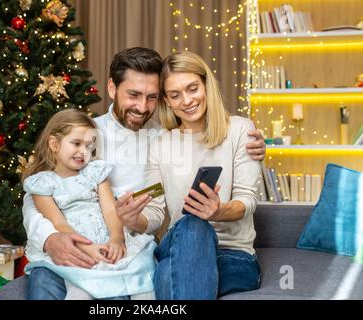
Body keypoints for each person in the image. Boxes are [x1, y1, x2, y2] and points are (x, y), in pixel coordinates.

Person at [22, 47, 266, 299]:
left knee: (190, 232)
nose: (142, 106)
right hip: (92, 240)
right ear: (112, 89)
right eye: (133, 95)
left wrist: (129, 224)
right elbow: (39, 190)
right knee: (44, 280)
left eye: (151, 97)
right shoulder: (85, 135)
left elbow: (157, 210)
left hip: (148, 248)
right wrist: (50, 238)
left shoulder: (160, 137)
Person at [141, 51, 262, 300]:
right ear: (167, 100)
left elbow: (247, 200)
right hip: (178, 245)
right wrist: (132, 218)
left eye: (192, 88)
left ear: (207, 84)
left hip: (233, 255)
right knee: (193, 225)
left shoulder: (241, 130)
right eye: (175, 95)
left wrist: (218, 212)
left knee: (165, 276)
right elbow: (154, 210)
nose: (186, 100)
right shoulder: (160, 145)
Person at [22, 109, 156, 300]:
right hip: (75, 245)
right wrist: (85, 248)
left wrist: (117, 238)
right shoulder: (42, 184)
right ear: (54, 143)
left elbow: (110, 210)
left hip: (106, 239)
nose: (83, 152)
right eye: (76, 143)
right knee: (80, 288)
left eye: (89, 146)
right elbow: (59, 224)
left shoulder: (95, 172)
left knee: (141, 275)